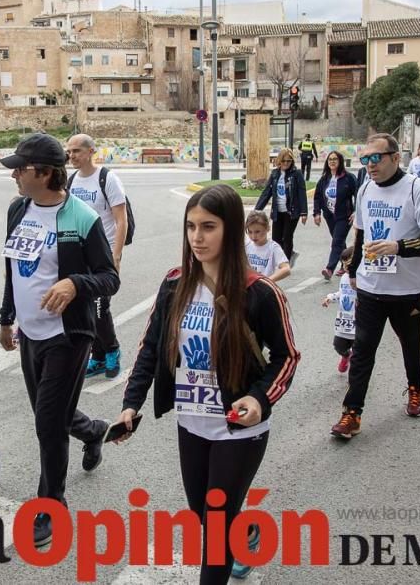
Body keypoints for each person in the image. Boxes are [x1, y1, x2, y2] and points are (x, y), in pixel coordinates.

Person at [117, 184, 300, 585]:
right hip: (192, 423)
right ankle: (245, 531)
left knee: (215, 532)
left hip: (239, 429)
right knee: (205, 514)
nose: (197, 238)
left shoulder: (260, 292)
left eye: (208, 227)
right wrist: (131, 405)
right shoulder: (175, 284)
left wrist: (259, 398)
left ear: (231, 230)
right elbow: (150, 347)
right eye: (191, 227)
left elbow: (287, 357)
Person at [0, 134, 118, 547]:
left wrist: (74, 282)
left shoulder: (80, 217)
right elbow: (13, 267)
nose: (14, 174)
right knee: (55, 418)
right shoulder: (19, 209)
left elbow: (109, 278)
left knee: (47, 423)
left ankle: (52, 504)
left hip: (68, 336)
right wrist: (6, 317)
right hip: (30, 334)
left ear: (46, 173)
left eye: (21, 168)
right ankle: (93, 430)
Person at [331, 133, 420, 439]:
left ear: (396, 158)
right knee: (363, 350)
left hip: (409, 290)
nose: (369, 165)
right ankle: (351, 413)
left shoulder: (416, 189)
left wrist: (399, 247)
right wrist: (353, 273)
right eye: (365, 159)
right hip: (371, 288)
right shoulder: (366, 188)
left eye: (376, 158)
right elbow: (360, 235)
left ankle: (416, 389)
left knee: (411, 346)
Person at [65, 133, 128, 379]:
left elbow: (120, 220)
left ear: (91, 151)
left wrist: (117, 256)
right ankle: (98, 356)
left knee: (101, 308)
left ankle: (112, 351)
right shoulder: (71, 182)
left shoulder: (107, 179)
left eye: (77, 151)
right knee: (86, 308)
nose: (72, 156)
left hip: (104, 255)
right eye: (69, 152)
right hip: (79, 256)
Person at [254, 148, 308, 264]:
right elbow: (267, 192)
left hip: (291, 211)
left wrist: (304, 212)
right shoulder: (275, 174)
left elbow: (302, 192)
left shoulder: (296, 174)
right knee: (276, 239)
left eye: (289, 161)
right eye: (283, 161)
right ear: (279, 161)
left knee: (287, 237)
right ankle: (284, 256)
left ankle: (286, 262)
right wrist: (257, 210)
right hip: (277, 211)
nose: (286, 163)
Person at [313, 150, 359, 280]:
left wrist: (356, 211)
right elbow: (317, 197)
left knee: (336, 241)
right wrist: (316, 213)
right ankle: (346, 265)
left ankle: (329, 268)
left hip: (345, 216)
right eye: (330, 159)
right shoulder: (324, 179)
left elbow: (358, 194)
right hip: (330, 216)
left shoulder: (348, 178)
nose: (332, 161)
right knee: (339, 242)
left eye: (335, 159)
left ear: (340, 162)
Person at [320, 246, 356, 373]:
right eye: (344, 263)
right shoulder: (345, 277)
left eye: (349, 262)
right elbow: (342, 292)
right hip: (344, 320)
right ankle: (346, 355)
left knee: (359, 351)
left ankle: (356, 377)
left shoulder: (363, 277)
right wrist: (330, 298)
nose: (346, 266)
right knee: (338, 345)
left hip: (359, 320)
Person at [245, 211, 291, 282]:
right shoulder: (247, 246)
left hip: (264, 288)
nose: (253, 236)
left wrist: (268, 281)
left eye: (257, 232)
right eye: (250, 232)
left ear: (267, 228)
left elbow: (286, 269)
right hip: (249, 287)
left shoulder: (273, 247)